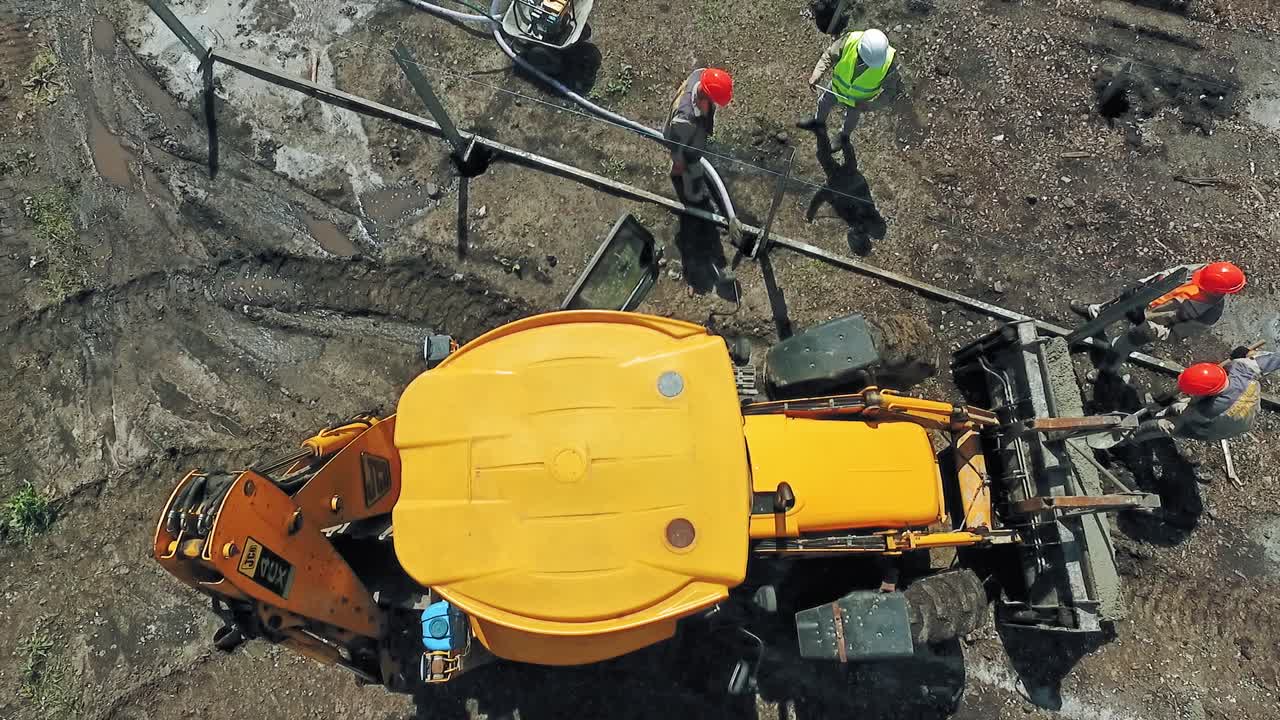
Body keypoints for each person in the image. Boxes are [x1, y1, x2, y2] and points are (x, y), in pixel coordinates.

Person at [1070, 261, 1247, 375]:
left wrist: (1143, 322)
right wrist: (1142, 284)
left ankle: (1106, 371)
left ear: (1219, 291)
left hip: (1150, 324)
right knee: (1115, 305)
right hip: (1145, 299)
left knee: (1123, 344)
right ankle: (1096, 312)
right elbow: (1168, 274)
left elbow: (1172, 335)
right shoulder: (1205, 271)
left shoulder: (1209, 313)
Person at [1131, 348, 1280, 444]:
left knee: (1166, 426)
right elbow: (1275, 358)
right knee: (1177, 406)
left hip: (1225, 424)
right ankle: (1161, 412)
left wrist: (1169, 403)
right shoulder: (1244, 367)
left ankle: (1131, 437)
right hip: (1247, 407)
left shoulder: (1208, 409)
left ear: (1208, 394)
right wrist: (1246, 354)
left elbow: (1187, 417)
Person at [797, 28, 897, 146]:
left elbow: (891, 92)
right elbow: (829, 55)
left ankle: (843, 138)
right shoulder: (849, 41)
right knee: (823, 103)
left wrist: (870, 105)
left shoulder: (889, 64)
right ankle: (818, 123)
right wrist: (817, 74)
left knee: (851, 121)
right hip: (835, 89)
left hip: (858, 102)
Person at [663, 68, 733, 205]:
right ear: (707, 95)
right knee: (692, 171)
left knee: (682, 166)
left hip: (689, 137)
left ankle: (676, 171)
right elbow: (678, 144)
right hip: (685, 146)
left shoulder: (700, 74)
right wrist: (681, 162)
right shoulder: (685, 118)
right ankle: (692, 195)